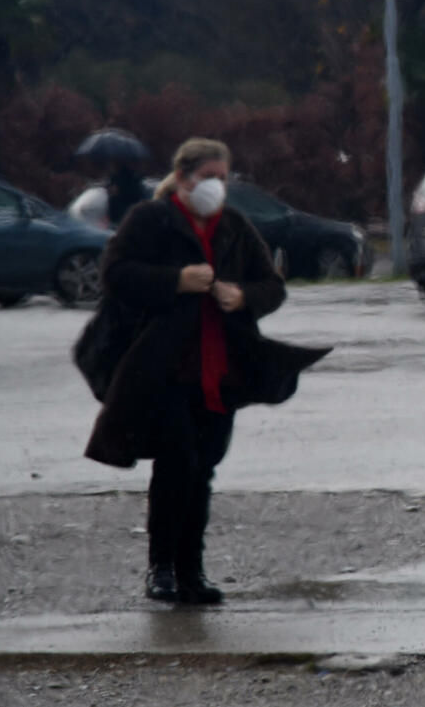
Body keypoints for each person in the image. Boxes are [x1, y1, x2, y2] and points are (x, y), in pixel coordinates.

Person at [78, 138, 331, 604]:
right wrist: (173, 281)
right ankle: (161, 570)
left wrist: (243, 297)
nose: (216, 185)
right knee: (177, 461)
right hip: (164, 367)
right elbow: (115, 275)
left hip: (221, 370)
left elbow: (272, 287)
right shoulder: (150, 220)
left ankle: (191, 570)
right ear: (183, 177)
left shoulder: (234, 226)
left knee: (204, 467)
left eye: (222, 177)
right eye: (207, 177)